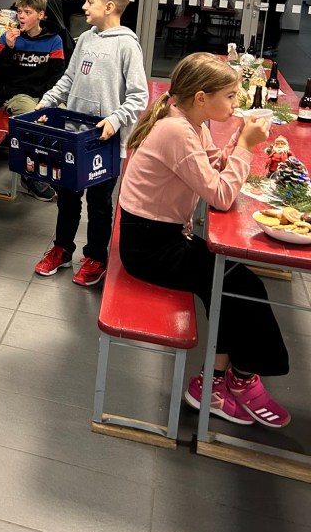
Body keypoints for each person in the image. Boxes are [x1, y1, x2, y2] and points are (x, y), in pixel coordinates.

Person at [118, 53, 290, 428]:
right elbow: (221, 195)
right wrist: (245, 147)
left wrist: (239, 142)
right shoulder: (176, 130)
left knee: (233, 282)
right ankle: (235, 380)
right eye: (229, 95)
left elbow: (212, 164)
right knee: (241, 285)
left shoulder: (190, 123)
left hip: (161, 236)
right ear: (200, 97)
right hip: (148, 247)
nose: (235, 101)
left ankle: (218, 379)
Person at [34, 0, 148, 284]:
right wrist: (47, 102)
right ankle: (61, 249)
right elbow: (69, 78)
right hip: (73, 136)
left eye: (90, 1)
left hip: (105, 142)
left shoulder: (127, 45)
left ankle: (96, 256)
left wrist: (115, 119)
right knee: (68, 197)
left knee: (99, 204)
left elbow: (139, 96)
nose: (84, 6)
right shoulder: (85, 38)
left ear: (109, 7)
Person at [0, 0, 65, 201]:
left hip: (43, 94)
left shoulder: (54, 40)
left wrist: (47, 101)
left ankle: (51, 168)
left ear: (41, 15)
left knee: (62, 118)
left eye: (27, 12)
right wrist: (9, 49)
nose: (21, 16)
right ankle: (30, 174)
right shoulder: (8, 37)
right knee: (33, 120)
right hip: (16, 94)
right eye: (19, 11)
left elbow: (57, 75)